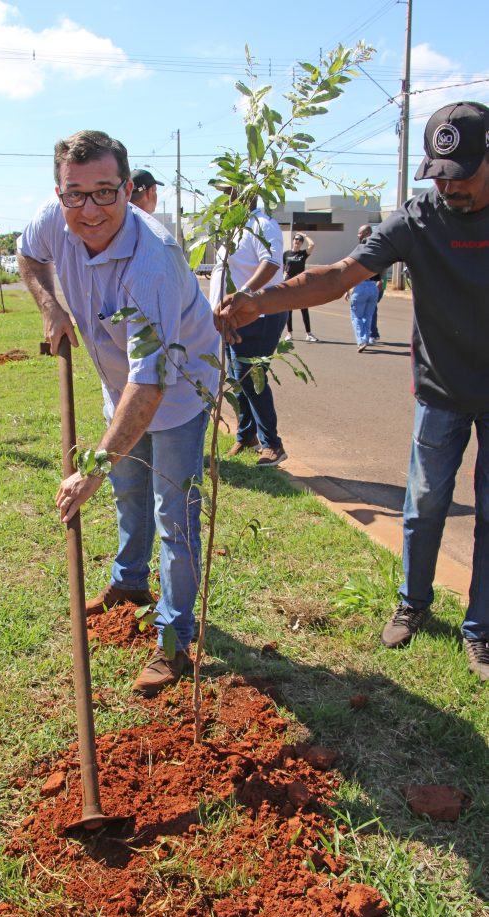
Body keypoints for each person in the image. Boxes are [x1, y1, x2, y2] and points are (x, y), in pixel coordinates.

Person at [216, 101, 489, 682]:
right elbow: (337, 276)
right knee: (425, 504)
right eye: (439, 173)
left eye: (463, 171)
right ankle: (413, 603)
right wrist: (258, 301)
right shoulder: (418, 221)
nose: (449, 185)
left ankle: (480, 628)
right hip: (441, 390)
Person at [18, 130, 219, 696]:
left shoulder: (152, 262)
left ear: (128, 190)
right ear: (58, 193)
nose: (89, 209)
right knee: (128, 493)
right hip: (120, 383)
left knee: (174, 518)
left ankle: (175, 639)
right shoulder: (52, 218)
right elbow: (29, 257)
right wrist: (50, 306)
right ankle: (129, 585)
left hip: (177, 391)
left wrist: (92, 467)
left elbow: (150, 385)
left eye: (105, 193)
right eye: (74, 194)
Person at [209, 198, 287, 466]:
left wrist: (244, 294)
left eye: (229, 193)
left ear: (246, 195)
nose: (224, 201)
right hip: (234, 317)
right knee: (238, 378)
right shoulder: (236, 230)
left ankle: (273, 444)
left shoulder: (263, 225)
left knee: (251, 377)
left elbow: (273, 262)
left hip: (260, 315)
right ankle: (247, 437)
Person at [345, 224, 383, 352]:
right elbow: (381, 270)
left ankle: (361, 341)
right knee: (368, 316)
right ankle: (366, 338)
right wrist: (380, 282)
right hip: (373, 287)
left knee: (356, 316)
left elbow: (351, 270)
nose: (358, 235)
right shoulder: (378, 252)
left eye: (360, 233)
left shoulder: (360, 251)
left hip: (360, 286)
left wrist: (347, 288)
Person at [283, 233, 318, 342]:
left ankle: (309, 334)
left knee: (304, 309)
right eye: (296, 239)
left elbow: (312, 245)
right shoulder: (286, 254)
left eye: (300, 240)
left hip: (301, 284)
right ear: (293, 241)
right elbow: (282, 268)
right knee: (289, 309)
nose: (298, 241)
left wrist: (304, 235)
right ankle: (289, 333)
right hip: (289, 284)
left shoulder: (303, 254)